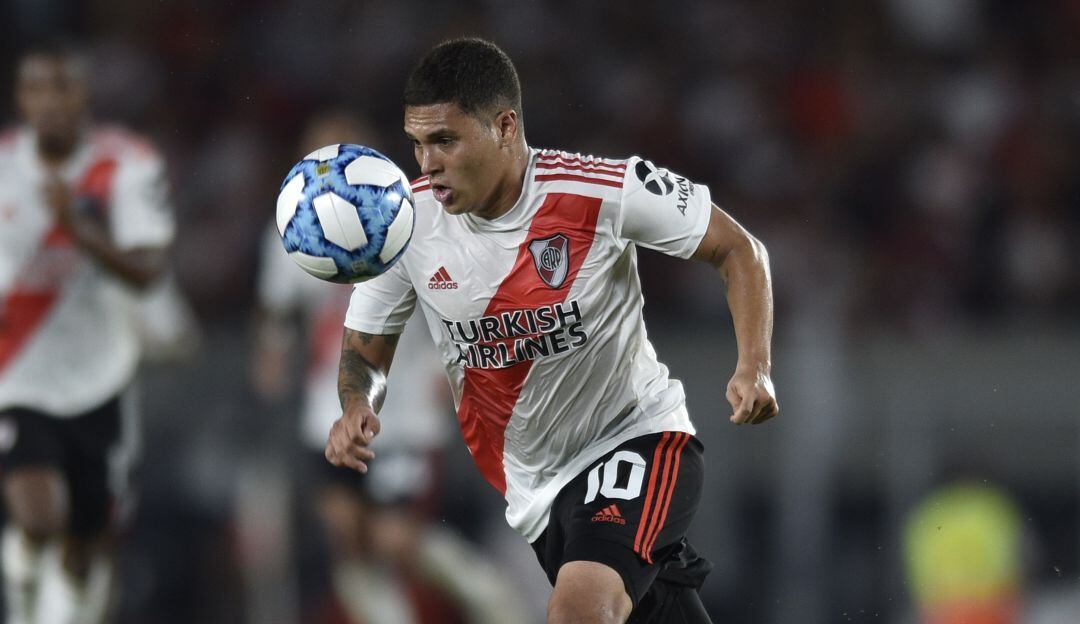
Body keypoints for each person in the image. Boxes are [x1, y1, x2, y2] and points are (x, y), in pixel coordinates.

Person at [325, 38, 778, 624]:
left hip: (634, 437)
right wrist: (357, 404)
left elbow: (740, 249)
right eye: (416, 143)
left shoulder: (600, 191)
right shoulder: (404, 225)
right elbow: (366, 349)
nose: (426, 163)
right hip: (535, 490)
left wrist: (754, 365)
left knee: (579, 612)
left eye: (444, 140)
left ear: (505, 126)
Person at [254, 111, 523, 624]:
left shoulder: (412, 219)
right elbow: (277, 306)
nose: (325, 171)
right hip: (327, 408)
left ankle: (490, 595)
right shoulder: (292, 224)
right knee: (345, 533)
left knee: (395, 539)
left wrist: (458, 371)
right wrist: (271, 350)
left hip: (404, 410)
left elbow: (459, 301)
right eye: (316, 158)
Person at [0, 42, 174, 624]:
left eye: (62, 88)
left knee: (85, 544)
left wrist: (79, 229)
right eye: (37, 89)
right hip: (17, 372)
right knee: (37, 516)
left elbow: (149, 273)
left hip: (102, 377)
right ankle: (22, 577)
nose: (49, 102)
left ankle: (48, 601)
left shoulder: (127, 165)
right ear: (22, 98)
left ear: (85, 95)